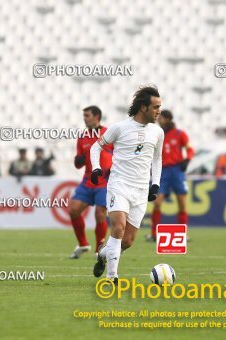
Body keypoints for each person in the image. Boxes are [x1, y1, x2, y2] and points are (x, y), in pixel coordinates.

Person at [90, 86, 164, 284]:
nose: (159, 111)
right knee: (118, 227)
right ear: (143, 107)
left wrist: (155, 184)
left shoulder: (157, 132)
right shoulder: (119, 128)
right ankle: (112, 277)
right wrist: (96, 168)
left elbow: (157, 159)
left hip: (140, 191)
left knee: (128, 241)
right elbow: (95, 147)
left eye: (160, 107)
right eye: (155, 107)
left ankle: (103, 255)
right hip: (119, 184)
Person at [68, 106, 112, 259]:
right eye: (84, 115)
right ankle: (83, 244)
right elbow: (78, 163)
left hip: (104, 182)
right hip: (88, 181)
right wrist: (79, 159)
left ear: (97, 116)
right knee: (73, 209)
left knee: (100, 215)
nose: (84, 118)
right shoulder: (82, 136)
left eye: (87, 115)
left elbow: (119, 153)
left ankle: (99, 250)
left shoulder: (108, 133)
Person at [147, 110, 194, 242]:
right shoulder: (157, 135)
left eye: (161, 118)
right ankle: (154, 234)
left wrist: (187, 160)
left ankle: (183, 234)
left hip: (177, 171)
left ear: (167, 119)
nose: (158, 120)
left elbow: (189, 149)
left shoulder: (180, 134)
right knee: (157, 202)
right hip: (163, 172)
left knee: (182, 204)